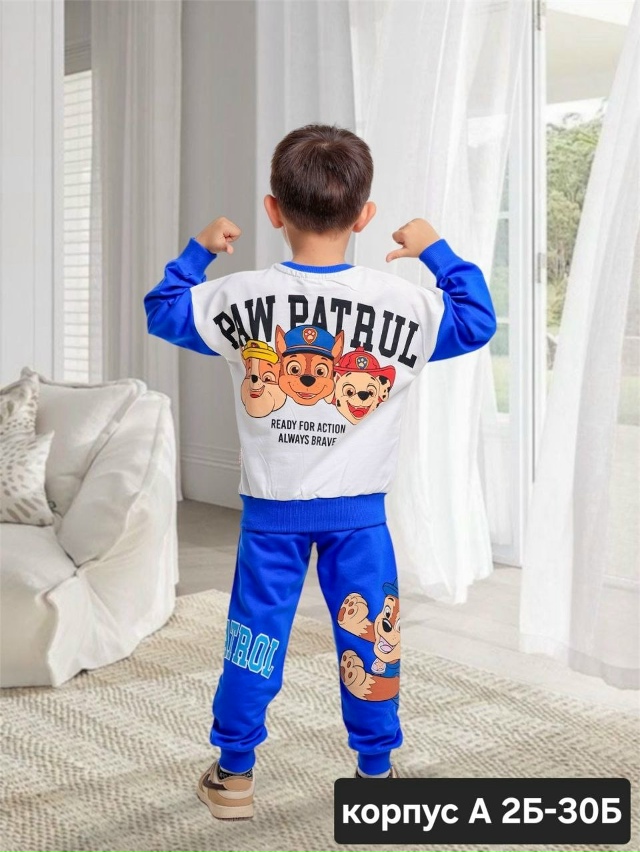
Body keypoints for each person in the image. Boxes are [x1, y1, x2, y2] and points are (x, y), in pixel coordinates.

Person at [143, 123, 497, 821]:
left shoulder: (239, 296)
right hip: (359, 517)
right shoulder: (405, 303)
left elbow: (163, 310)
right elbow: (477, 318)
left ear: (273, 210)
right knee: (372, 639)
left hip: (271, 514)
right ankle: (375, 774)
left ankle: (235, 774)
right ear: (364, 217)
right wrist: (435, 250)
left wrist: (197, 251)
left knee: (254, 639)